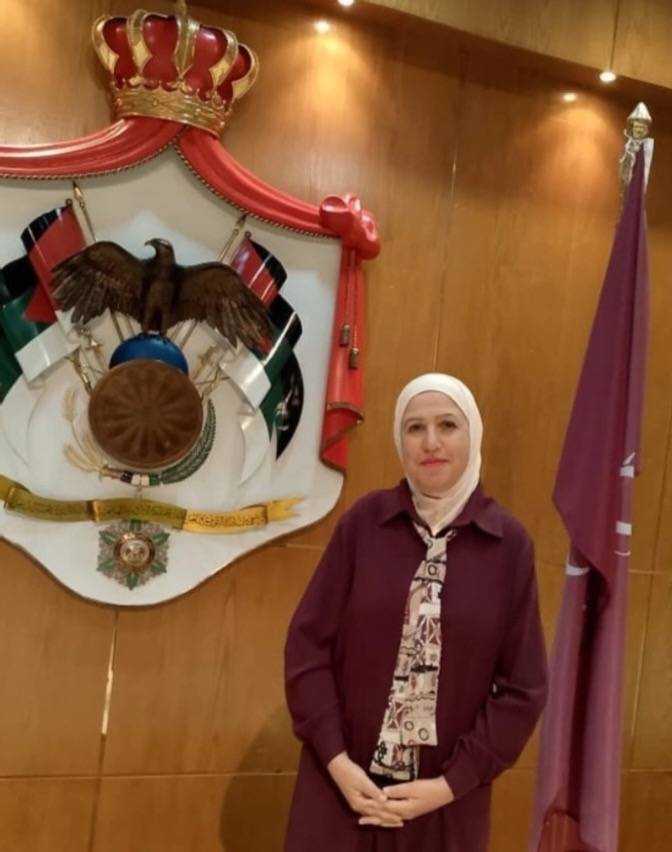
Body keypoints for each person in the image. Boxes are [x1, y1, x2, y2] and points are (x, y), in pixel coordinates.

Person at [284, 373, 548, 851]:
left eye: (447, 425)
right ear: (399, 440)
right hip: (341, 794)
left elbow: (522, 688)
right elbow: (307, 648)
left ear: (473, 434)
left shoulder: (509, 547)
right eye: (414, 428)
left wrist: (451, 784)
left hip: (443, 806)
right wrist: (337, 761)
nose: (430, 442)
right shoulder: (363, 525)